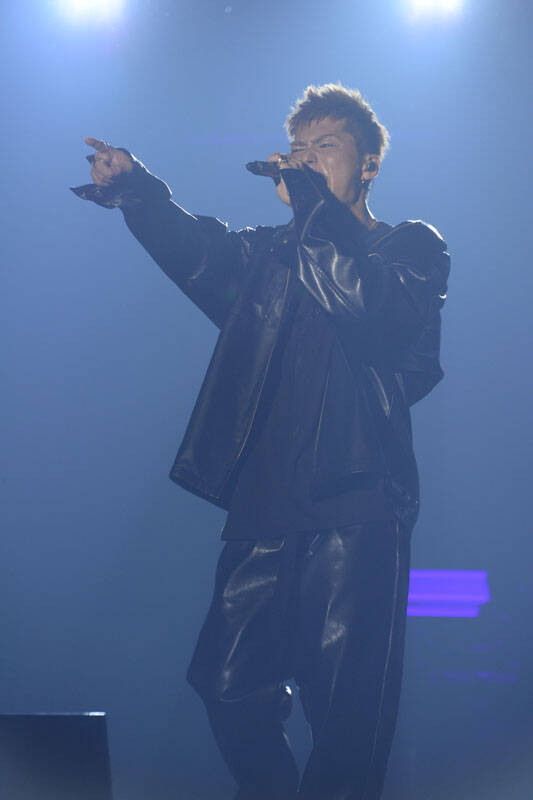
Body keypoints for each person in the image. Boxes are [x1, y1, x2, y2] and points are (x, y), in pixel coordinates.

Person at [72, 83, 450, 800]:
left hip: (354, 505)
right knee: (226, 687)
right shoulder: (270, 253)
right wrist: (139, 189)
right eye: (297, 150)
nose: (303, 160)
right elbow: (199, 253)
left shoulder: (408, 247)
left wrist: (311, 210)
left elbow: (364, 306)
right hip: (265, 507)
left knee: (345, 715)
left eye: (324, 148)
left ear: (368, 165)